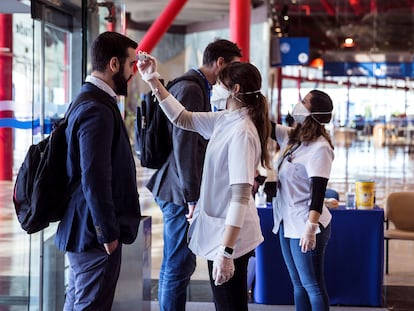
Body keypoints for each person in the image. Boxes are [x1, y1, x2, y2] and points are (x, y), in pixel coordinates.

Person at [138, 54, 271, 311]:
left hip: (231, 236)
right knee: (225, 304)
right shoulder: (224, 120)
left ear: (235, 90)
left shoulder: (242, 131)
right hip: (220, 232)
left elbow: (241, 195)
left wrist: (227, 250)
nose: (214, 88)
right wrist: (153, 80)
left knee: (229, 305)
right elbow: (182, 118)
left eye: (219, 84)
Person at [54, 31, 141, 310]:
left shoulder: (87, 98)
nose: (131, 74)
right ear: (114, 64)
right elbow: (94, 176)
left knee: (79, 301)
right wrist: (107, 233)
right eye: (130, 65)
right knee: (90, 304)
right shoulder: (97, 108)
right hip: (94, 234)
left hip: (84, 228)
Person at [272, 90, 334, 311]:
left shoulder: (321, 148)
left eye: (304, 101)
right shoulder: (293, 138)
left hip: (308, 224)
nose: (298, 103)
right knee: (298, 284)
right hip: (287, 222)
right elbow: (267, 127)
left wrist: (310, 228)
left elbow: (318, 194)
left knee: (313, 285)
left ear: (313, 112)